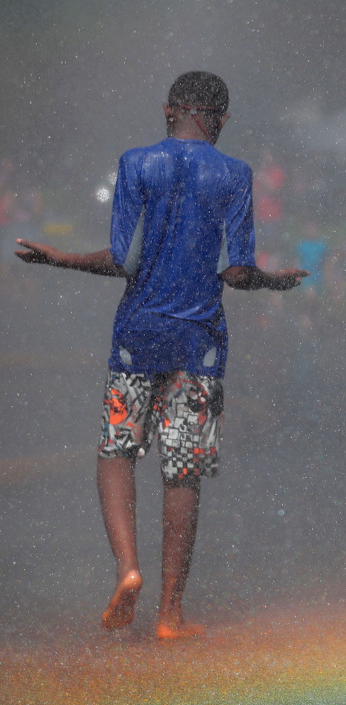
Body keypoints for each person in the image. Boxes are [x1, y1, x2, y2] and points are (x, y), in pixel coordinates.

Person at [14, 72, 308, 639]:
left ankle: (128, 568)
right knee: (183, 473)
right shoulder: (234, 174)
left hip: (137, 336)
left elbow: (122, 260)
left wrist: (59, 259)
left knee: (117, 451)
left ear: (170, 109)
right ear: (220, 117)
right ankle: (170, 615)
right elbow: (238, 272)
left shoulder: (137, 163)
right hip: (198, 345)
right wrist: (274, 282)